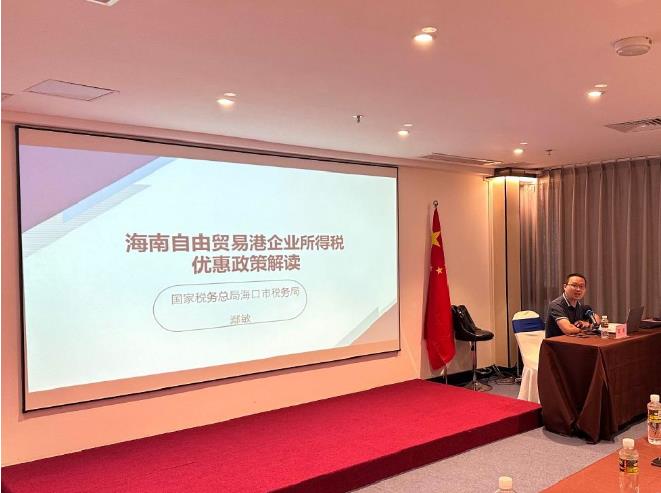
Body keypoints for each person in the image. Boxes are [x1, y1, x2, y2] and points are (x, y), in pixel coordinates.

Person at [545, 273, 601, 338]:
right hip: (556, 342)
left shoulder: (579, 306)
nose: (578, 289)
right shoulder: (556, 305)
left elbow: (597, 319)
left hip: (575, 341)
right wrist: (587, 328)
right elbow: (568, 330)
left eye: (581, 286)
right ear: (565, 287)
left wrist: (587, 324)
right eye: (574, 285)